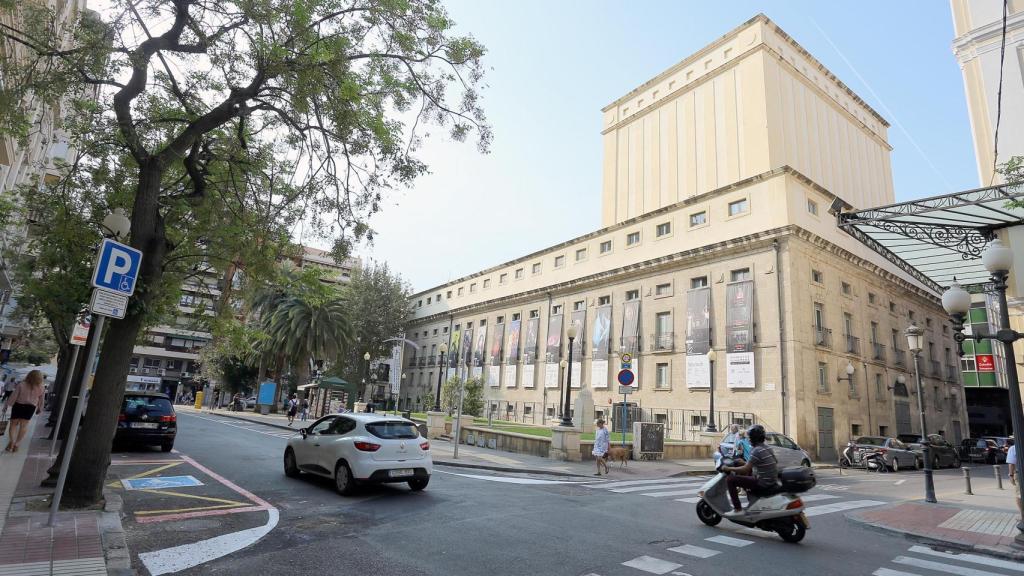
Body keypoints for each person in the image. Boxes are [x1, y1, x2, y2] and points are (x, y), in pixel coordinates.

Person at [721, 424, 778, 515]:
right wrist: (743, 462)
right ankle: (750, 498)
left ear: (753, 438)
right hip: (771, 480)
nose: (748, 439)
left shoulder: (756, 450)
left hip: (762, 482)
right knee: (747, 473)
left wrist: (728, 468)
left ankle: (737, 509)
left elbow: (745, 470)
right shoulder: (768, 448)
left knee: (730, 480)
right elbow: (767, 463)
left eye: (750, 437)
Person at [4, 370, 45, 453]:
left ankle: (12, 441)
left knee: (13, 424)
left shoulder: (21, 384)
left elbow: (14, 396)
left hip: (18, 405)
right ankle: (17, 444)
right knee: (24, 426)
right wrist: (40, 408)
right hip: (30, 408)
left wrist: (6, 405)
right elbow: (41, 399)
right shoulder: (41, 387)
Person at [1008, 436, 1021, 518]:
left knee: (1019, 494)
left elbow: (1011, 463)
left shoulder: (1013, 448)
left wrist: (1011, 475)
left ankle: (1022, 515)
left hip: (1019, 473)